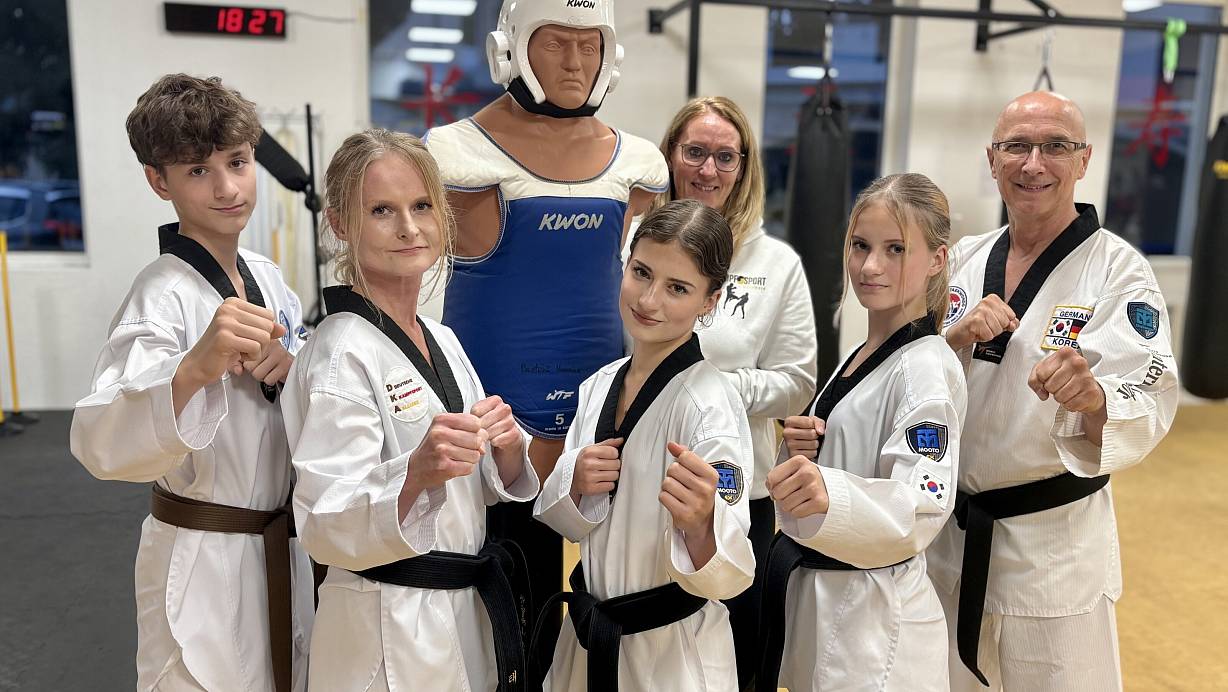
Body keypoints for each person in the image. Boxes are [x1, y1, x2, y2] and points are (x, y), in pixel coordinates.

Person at [425, 0, 669, 636]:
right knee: (493, 620)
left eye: (590, 45)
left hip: (604, 420)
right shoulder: (458, 154)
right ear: (512, 47)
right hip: (493, 427)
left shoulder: (638, 164)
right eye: (556, 43)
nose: (575, 62)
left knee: (609, 600)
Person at [927, 91, 1180, 691]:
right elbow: (912, 372)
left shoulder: (1118, 271)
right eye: (1016, 146)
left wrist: (1095, 398)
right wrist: (948, 339)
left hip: (1052, 547)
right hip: (952, 536)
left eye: (1055, 147)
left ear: (1084, 159)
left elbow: (1149, 393)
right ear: (993, 160)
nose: (1033, 163)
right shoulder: (963, 259)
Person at [70, 74, 312, 692]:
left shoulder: (265, 275)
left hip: (279, 545)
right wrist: (193, 369)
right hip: (203, 554)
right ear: (160, 182)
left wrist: (296, 367)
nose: (228, 187)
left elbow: (298, 384)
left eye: (237, 162)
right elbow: (100, 439)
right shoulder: (160, 295)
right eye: (198, 171)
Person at [281, 129, 540, 692]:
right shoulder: (340, 354)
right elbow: (324, 520)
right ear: (342, 226)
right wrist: (415, 472)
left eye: (422, 205)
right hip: (384, 624)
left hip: (459, 607)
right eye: (382, 211)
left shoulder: (442, 340)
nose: (409, 226)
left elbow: (477, 490)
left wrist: (509, 451)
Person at [533, 199, 755, 692]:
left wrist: (701, 526)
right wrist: (574, 483)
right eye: (641, 273)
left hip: (671, 655)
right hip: (591, 636)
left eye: (678, 288)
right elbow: (566, 523)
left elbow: (731, 574)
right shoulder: (598, 386)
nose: (649, 300)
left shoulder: (709, 405)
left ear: (710, 300)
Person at [757, 173, 966, 691]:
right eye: (861, 246)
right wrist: (804, 451)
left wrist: (828, 490)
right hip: (831, 603)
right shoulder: (865, 353)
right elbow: (851, 462)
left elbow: (920, 506)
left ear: (937, 260)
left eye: (896, 249)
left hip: (878, 628)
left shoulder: (925, 368)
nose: (871, 266)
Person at [646, 95, 817, 690]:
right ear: (671, 154)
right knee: (652, 648)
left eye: (725, 156)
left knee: (739, 654)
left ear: (744, 166)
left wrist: (708, 389)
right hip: (645, 484)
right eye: (695, 152)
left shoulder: (776, 263)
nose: (708, 170)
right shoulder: (636, 249)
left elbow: (798, 381)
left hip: (737, 491)